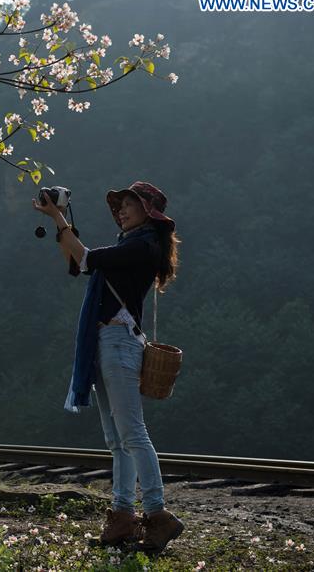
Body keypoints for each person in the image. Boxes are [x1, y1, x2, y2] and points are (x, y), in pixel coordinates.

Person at [32, 180, 184, 553]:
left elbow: (84, 258)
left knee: (132, 434)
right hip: (107, 342)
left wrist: (58, 218)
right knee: (117, 440)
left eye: (129, 204)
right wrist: (60, 220)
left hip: (119, 343)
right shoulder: (129, 245)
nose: (121, 210)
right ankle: (122, 517)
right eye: (120, 205)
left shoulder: (142, 246)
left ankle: (158, 514)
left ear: (147, 212)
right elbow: (78, 261)